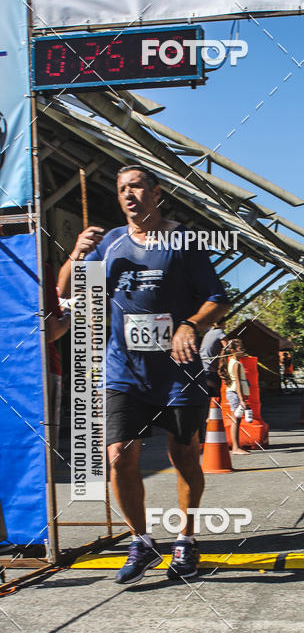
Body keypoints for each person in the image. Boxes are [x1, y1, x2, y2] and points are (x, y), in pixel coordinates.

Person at [57, 164, 229, 583]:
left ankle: (186, 541)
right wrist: (77, 253)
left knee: (183, 454)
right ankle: (143, 542)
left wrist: (190, 324)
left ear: (156, 191)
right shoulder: (110, 243)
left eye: (136, 186)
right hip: (123, 370)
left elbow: (217, 298)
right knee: (118, 457)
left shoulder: (182, 240)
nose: (129, 194)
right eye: (121, 189)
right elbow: (66, 290)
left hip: (177, 371)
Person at [44, 262, 71, 449]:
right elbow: (51, 331)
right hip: (40, 368)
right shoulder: (34, 263)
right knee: (42, 456)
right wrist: (70, 314)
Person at [219, 339, 251, 455]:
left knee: (237, 419)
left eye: (243, 348)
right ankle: (235, 447)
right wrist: (242, 400)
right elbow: (237, 382)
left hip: (234, 392)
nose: (243, 350)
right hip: (235, 393)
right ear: (232, 351)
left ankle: (236, 446)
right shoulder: (236, 364)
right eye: (240, 349)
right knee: (236, 420)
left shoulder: (233, 361)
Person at [200, 321, 227, 399]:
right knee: (221, 390)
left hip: (203, 367)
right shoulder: (220, 332)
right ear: (222, 323)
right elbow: (227, 347)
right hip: (210, 369)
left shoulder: (208, 333)